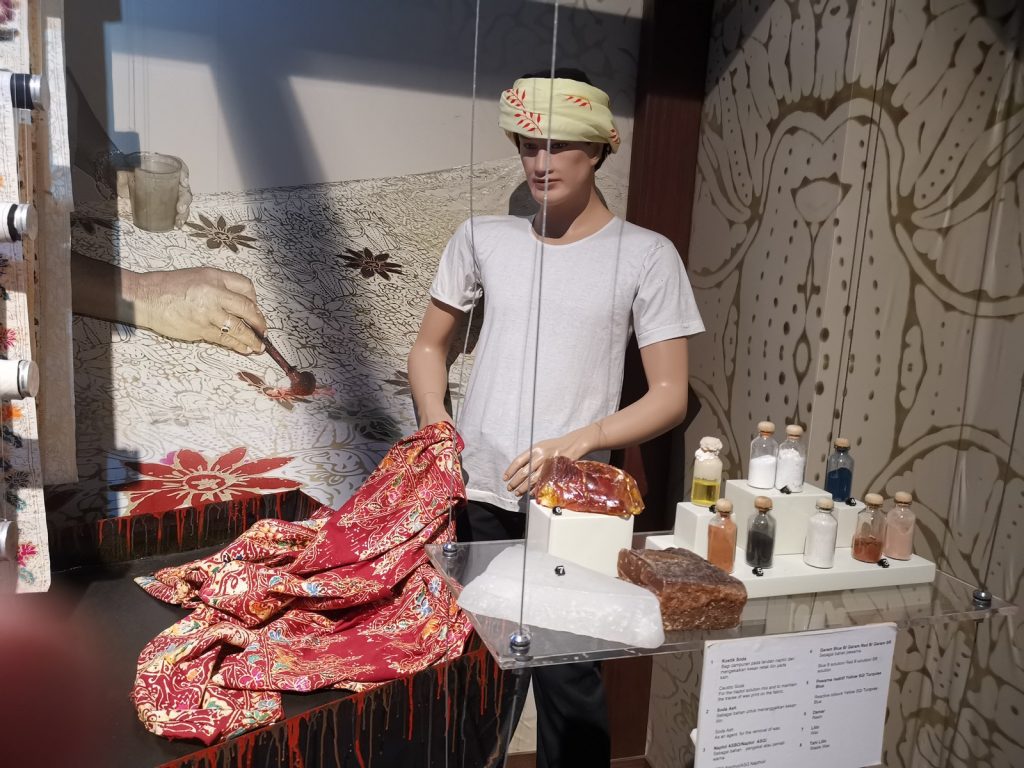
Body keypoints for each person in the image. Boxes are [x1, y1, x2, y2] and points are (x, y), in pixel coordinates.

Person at [408, 68, 704, 767]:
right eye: (528, 144)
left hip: (572, 508)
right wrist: (438, 430)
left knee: (570, 681)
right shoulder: (483, 238)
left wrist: (583, 439)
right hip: (478, 490)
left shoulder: (646, 254)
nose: (540, 161)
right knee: (476, 678)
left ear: (599, 148)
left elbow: (670, 395)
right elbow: (428, 348)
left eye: (560, 144)